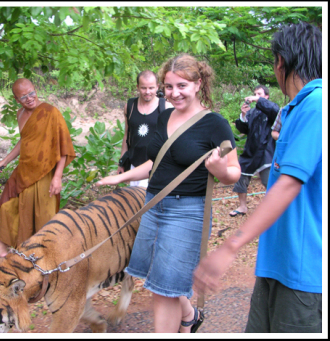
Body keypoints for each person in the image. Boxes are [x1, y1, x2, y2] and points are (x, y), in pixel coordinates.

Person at [194, 22, 322, 333]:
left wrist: (230, 247)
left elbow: (290, 184)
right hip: (277, 263)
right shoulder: (296, 108)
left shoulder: (318, 104)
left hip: (304, 271)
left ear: (280, 62)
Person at [97, 54, 241, 333]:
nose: (174, 93)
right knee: (159, 278)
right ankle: (189, 316)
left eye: (182, 86)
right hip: (154, 204)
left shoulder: (214, 124)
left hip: (188, 211)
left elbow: (234, 171)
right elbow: (156, 163)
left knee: (163, 289)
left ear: (198, 84)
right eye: (169, 87)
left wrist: (220, 170)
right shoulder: (164, 116)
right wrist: (120, 176)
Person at [0, 78, 76, 262]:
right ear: (17, 99)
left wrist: (57, 177)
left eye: (31, 93)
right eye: (24, 97)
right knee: (7, 206)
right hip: (24, 169)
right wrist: (5, 161)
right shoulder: (20, 114)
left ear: (35, 89)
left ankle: (47, 257)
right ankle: (1, 250)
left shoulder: (50, 112)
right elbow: (25, 141)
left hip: (44, 172)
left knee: (44, 216)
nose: (30, 98)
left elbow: (63, 146)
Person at [229, 85, 279, 217]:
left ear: (266, 96)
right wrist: (244, 115)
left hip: (266, 151)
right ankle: (242, 206)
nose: (256, 96)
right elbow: (244, 129)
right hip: (250, 151)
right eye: (255, 94)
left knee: (269, 181)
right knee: (241, 177)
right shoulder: (252, 113)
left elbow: (275, 109)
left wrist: (258, 100)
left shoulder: (272, 111)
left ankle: (276, 208)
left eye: (260, 94)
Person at [118, 70, 172, 187]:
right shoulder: (130, 106)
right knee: (134, 203)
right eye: (143, 88)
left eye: (151, 88)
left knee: (150, 204)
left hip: (156, 167)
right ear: (137, 87)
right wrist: (122, 162)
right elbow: (127, 135)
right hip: (134, 165)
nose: (147, 92)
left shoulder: (166, 108)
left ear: (157, 87)